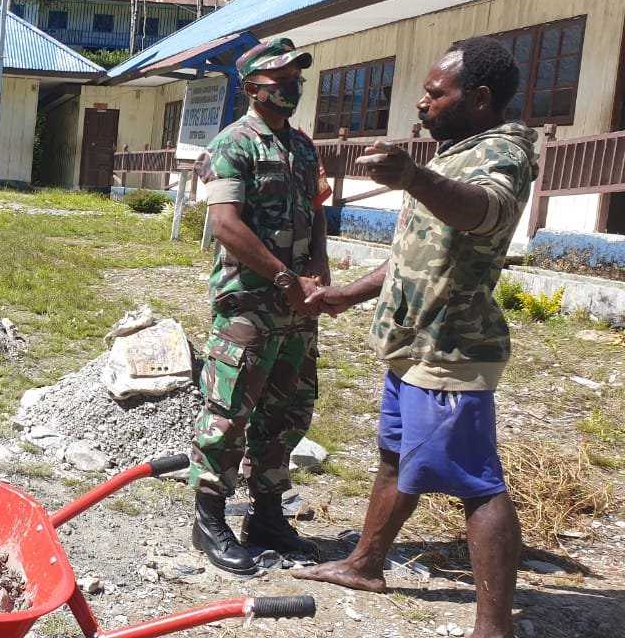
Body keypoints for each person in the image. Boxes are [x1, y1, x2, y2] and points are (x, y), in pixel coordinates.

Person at [292, 37, 536, 638]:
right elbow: (415, 253)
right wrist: (347, 294)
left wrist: (414, 177)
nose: (423, 104)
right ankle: (365, 564)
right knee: (394, 458)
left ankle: (493, 628)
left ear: (479, 99)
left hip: (452, 349)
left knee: (477, 484)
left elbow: (485, 211)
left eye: (435, 93)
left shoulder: (502, 154)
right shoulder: (457, 152)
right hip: (413, 344)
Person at [190, 37, 331, 575]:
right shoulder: (233, 145)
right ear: (252, 88)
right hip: (249, 305)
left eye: (297, 78)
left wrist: (318, 269)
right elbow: (227, 225)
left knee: (286, 413)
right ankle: (209, 521)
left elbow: (317, 211)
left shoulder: (303, 147)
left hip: (297, 309)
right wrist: (284, 277)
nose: (293, 87)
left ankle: (268, 516)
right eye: (282, 80)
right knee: (229, 414)